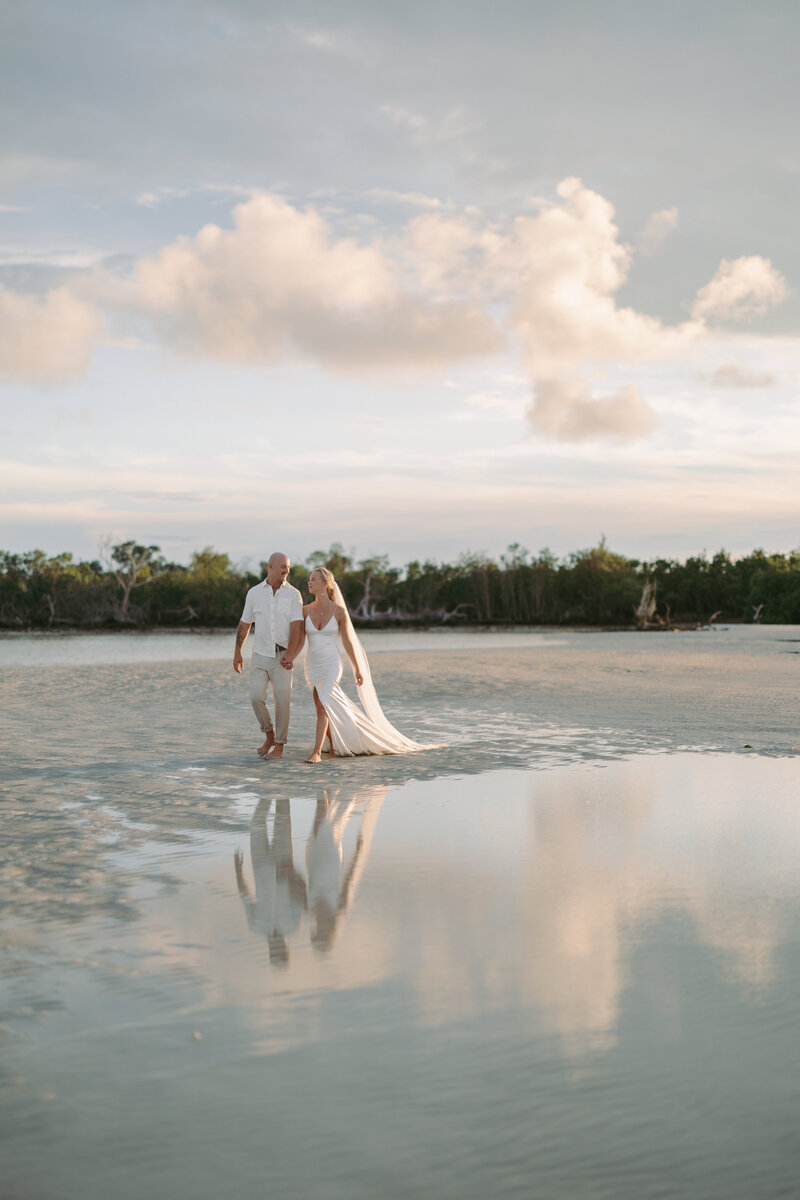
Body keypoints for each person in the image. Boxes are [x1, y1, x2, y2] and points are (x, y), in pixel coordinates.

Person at [296, 566, 423, 762]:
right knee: (322, 707)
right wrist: (288, 656)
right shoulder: (304, 611)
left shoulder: (339, 611)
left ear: (325, 584)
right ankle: (332, 748)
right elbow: (299, 641)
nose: (309, 582)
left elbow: (347, 642)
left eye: (313, 579)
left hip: (331, 663)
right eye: (309, 579)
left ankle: (317, 752)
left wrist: (357, 668)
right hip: (312, 664)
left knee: (323, 704)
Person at [234, 552, 304, 760]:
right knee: (255, 696)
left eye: (288, 567)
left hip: (283, 656)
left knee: (283, 702)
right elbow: (245, 624)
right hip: (260, 654)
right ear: (270, 566)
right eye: (283, 566)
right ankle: (269, 735)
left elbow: (297, 627)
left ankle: (280, 747)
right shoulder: (254, 593)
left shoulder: (293, 594)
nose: (286, 570)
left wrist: (291, 655)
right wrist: (237, 652)